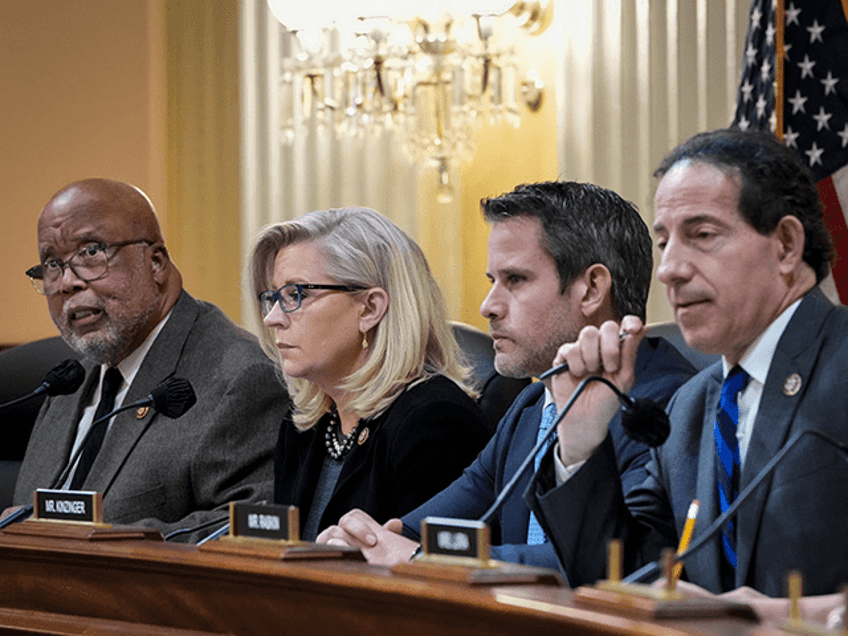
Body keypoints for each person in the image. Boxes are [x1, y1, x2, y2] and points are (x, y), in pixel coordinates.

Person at [528, 129, 848, 610]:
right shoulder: (691, 407)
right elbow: (619, 580)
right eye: (663, 242)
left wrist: (785, 617)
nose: (670, 269)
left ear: (785, 244)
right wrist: (580, 444)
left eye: (702, 235)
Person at [316, 181, 696, 568]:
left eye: (515, 280)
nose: (487, 306)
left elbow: (617, 563)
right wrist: (363, 540)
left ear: (591, 289)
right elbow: (420, 530)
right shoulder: (531, 406)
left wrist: (421, 557)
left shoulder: (669, 408)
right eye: (491, 281)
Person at [10, 178, 289, 540]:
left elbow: (247, 532)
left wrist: (101, 539)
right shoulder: (67, 384)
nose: (66, 283)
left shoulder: (240, 377)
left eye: (91, 253)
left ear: (156, 263)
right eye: (51, 264)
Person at [250, 207, 491, 541]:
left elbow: (426, 574)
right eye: (273, 297)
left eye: (296, 295)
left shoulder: (434, 422)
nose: (272, 318)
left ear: (371, 309)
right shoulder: (304, 425)